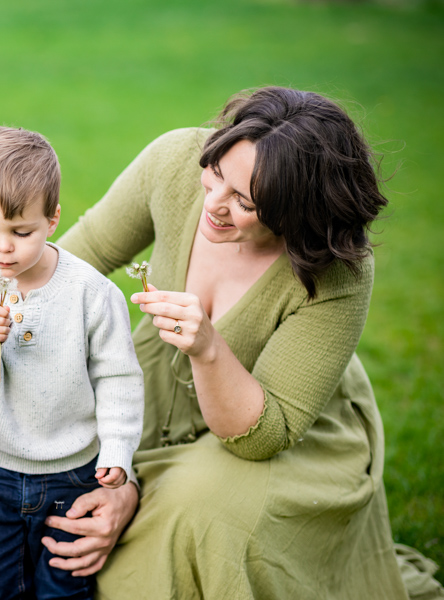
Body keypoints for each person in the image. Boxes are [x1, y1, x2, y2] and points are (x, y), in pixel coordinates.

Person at [44, 86, 421, 598]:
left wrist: (208, 349)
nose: (214, 205)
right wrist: (122, 475)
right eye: (216, 175)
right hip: (157, 395)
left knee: (200, 512)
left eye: (245, 201)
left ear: (297, 209)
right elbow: (71, 263)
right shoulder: (174, 161)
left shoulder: (339, 271)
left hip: (281, 430)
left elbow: (264, 434)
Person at [0, 126, 144, 600]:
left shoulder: (90, 293)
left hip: (73, 474)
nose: (2, 247)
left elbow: (118, 378)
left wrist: (117, 452)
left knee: (64, 588)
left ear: (52, 220)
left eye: (20, 232)